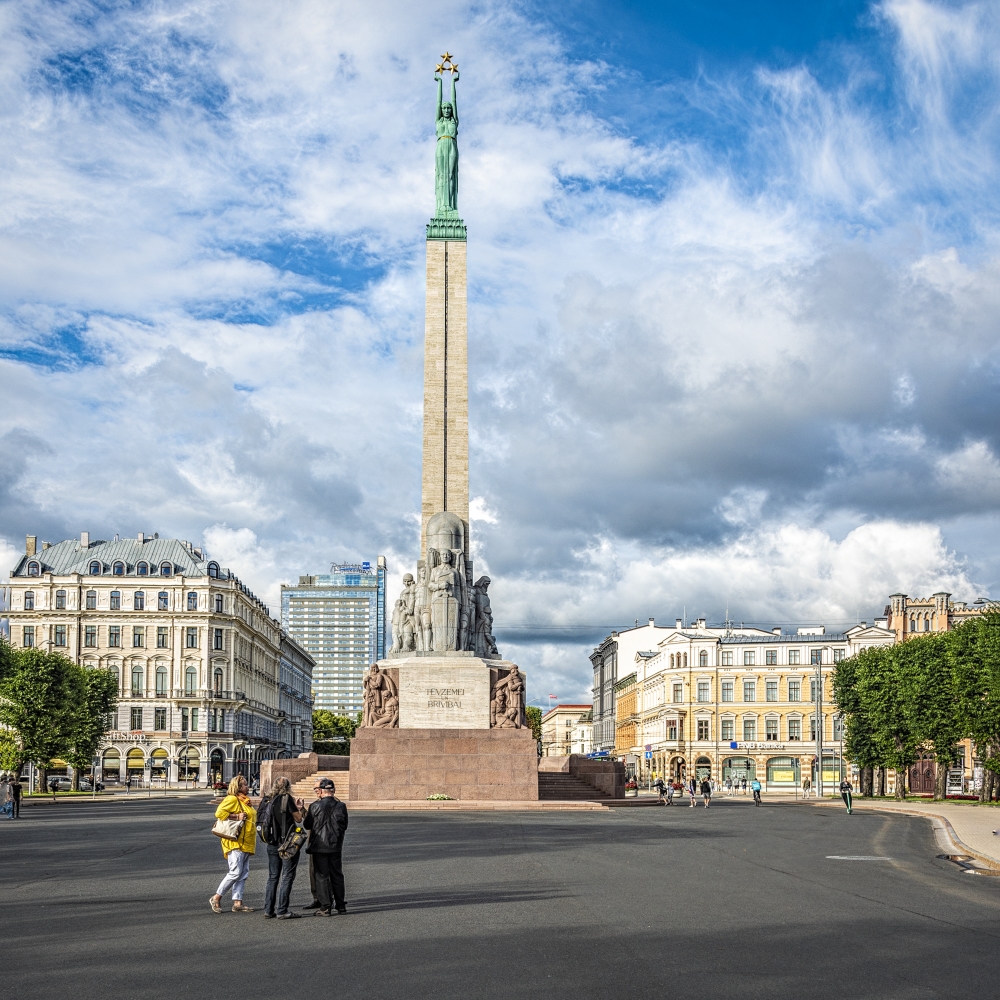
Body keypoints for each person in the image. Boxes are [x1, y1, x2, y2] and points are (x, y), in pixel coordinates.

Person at [210, 775, 257, 913]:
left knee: (243, 873)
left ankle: (238, 902)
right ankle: (216, 897)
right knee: (235, 872)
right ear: (238, 787)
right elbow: (219, 813)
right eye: (245, 785)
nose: (248, 787)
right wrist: (236, 816)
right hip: (234, 841)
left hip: (246, 842)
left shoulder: (245, 801)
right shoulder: (232, 799)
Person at [261, 776, 305, 919]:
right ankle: (282, 910)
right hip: (287, 843)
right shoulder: (287, 799)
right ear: (288, 786)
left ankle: (268, 910)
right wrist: (300, 808)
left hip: (271, 843)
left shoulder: (268, 799)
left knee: (273, 877)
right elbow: (298, 819)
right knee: (287, 876)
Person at [304, 777, 349, 916]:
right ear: (333, 790)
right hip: (336, 845)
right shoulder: (341, 806)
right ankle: (341, 905)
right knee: (337, 874)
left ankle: (325, 906)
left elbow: (307, 825)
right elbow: (344, 825)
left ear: (322, 791)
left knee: (322, 875)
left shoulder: (314, 806)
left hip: (319, 845)